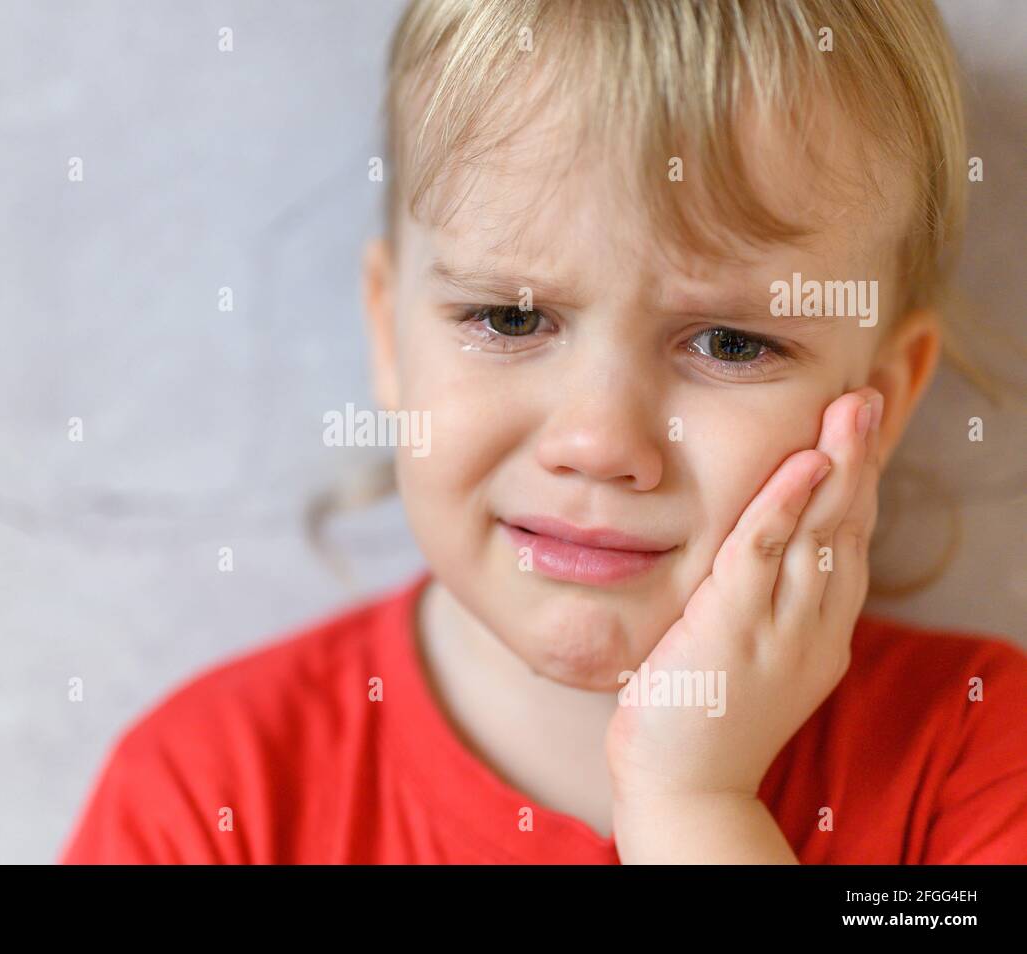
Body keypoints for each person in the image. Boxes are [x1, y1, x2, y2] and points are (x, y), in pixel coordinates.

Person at [61, 0, 1026, 863]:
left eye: (730, 342)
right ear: (388, 337)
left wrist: (694, 806)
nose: (600, 442)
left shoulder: (979, 759)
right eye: (510, 320)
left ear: (883, 402)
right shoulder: (206, 801)